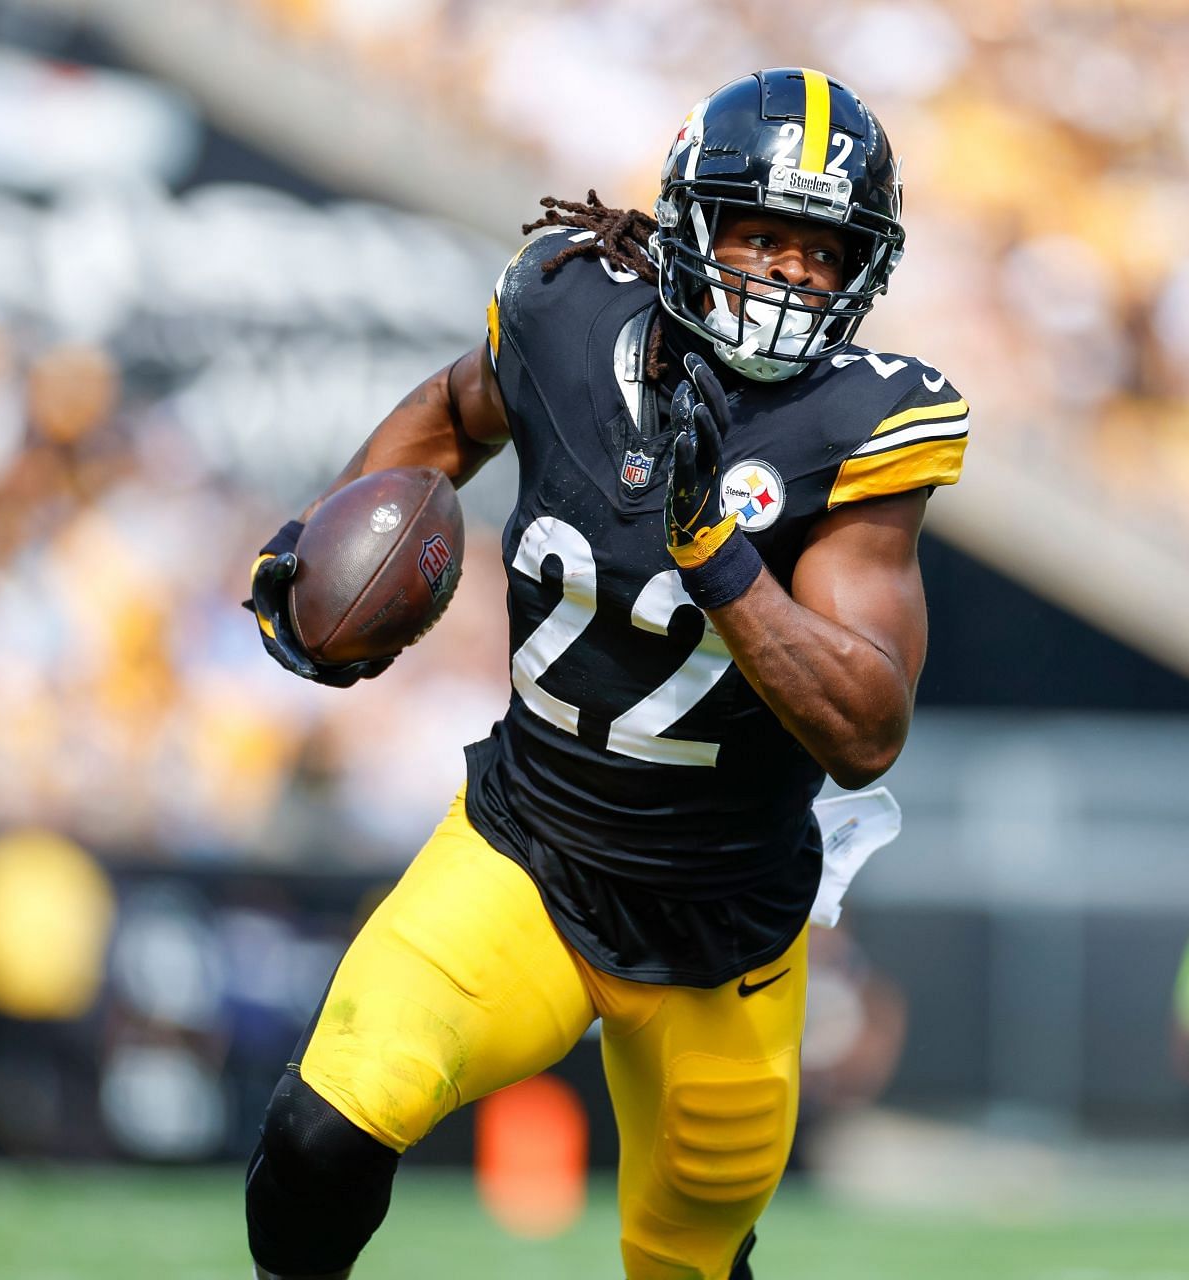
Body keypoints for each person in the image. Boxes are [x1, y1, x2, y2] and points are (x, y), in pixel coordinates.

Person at [240, 67, 969, 1280]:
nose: (789, 272)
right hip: (528, 847)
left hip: (724, 926)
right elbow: (450, 410)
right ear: (690, 220)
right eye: (761, 233)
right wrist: (324, 544)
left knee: (683, 1262)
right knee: (323, 1126)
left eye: (821, 253)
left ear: (864, 275)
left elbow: (866, 726)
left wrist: (720, 559)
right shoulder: (565, 312)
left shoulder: (864, 425)